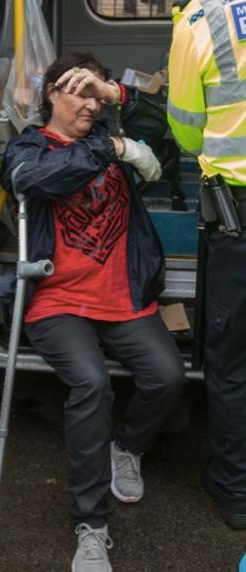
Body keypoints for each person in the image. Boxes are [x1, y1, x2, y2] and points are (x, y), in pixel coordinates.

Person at [1, 53, 183, 571]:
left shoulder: (117, 139)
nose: (88, 102)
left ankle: (125, 448)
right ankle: (91, 525)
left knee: (168, 377)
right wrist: (112, 145)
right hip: (58, 301)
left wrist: (119, 98)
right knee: (92, 384)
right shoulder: (29, 146)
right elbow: (33, 180)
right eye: (78, 90)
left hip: (123, 297)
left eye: (95, 93)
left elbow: (167, 143)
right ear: (51, 95)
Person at [168, 0, 246, 532]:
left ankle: (235, 491)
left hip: (237, 216)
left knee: (233, 357)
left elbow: (187, 129)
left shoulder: (201, 19)